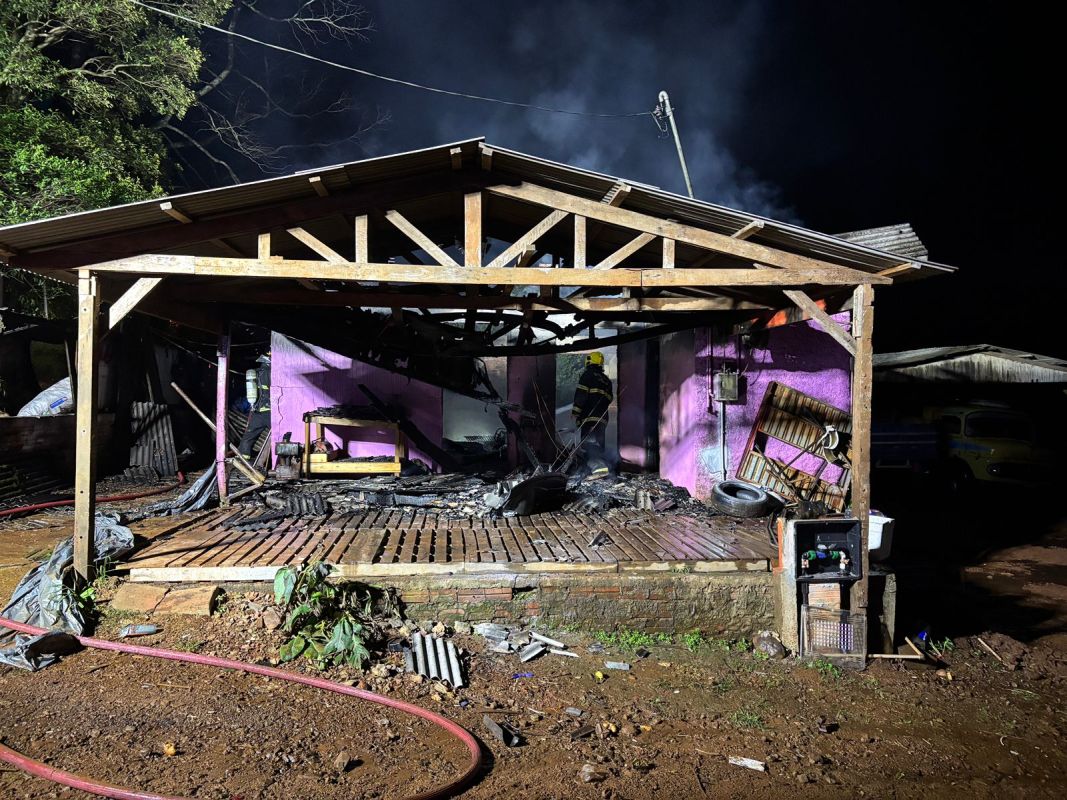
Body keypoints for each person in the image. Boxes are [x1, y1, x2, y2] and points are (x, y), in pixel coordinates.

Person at [571, 351, 613, 468]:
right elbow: (609, 399)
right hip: (602, 419)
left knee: (588, 445)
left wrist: (575, 412)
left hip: (588, 418)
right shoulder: (606, 380)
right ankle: (599, 469)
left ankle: (596, 469)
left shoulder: (587, 375)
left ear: (589, 361)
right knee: (598, 444)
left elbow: (581, 395)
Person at [238, 351, 271, 458]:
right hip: (271, 411)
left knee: (249, 436)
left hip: (258, 410)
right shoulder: (272, 373)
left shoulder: (255, 373)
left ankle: (244, 457)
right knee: (281, 434)